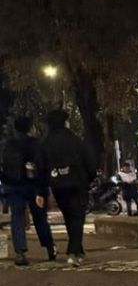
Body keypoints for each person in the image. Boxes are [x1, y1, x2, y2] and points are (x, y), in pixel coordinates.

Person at [37, 109, 95, 266]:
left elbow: (41, 168)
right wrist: (89, 178)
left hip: (58, 186)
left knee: (69, 217)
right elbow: (89, 161)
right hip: (78, 184)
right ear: (64, 122)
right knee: (77, 218)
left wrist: (42, 189)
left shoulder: (45, 144)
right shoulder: (75, 140)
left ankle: (78, 250)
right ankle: (72, 252)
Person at [1, 116, 55, 265]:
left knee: (17, 218)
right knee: (39, 217)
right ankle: (49, 247)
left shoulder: (8, 145)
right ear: (30, 128)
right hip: (33, 187)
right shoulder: (35, 144)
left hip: (13, 187)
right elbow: (41, 166)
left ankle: (20, 252)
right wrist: (43, 189)